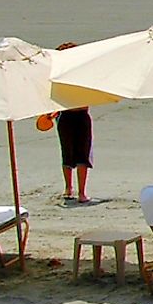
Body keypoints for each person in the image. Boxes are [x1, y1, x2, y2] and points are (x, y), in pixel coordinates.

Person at [52, 41, 94, 204]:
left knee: (83, 154)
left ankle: (82, 192)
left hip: (82, 115)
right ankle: (68, 188)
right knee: (67, 152)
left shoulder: (83, 74)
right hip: (65, 115)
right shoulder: (59, 75)